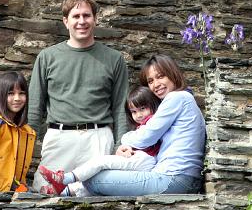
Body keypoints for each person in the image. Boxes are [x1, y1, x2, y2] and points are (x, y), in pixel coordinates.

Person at [27, 0, 129, 192]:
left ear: (95, 19)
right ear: (66, 21)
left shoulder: (114, 59)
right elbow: (34, 106)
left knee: (96, 200)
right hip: (59, 138)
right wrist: (25, 147)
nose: (81, 21)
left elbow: (120, 108)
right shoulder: (47, 57)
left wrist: (120, 144)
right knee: (46, 194)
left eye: (86, 15)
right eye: (76, 16)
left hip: (98, 138)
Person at [81, 54, 206, 196]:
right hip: (182, 178)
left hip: (174, 178)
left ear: (173, 74)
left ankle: (67, 191)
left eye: (160, 77)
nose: (156, 84)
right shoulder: (185, 99)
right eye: (150, 81)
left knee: (93, 179)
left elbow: (146, 137)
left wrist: (125, 140)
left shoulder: (177, 97)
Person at [37, 85, 162, 196]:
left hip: (146, 159)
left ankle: (65, 178)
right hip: (141, 158)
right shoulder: (143, 124)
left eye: (142, 109)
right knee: (102, 176)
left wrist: (126, 141)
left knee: (102, 161)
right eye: (134, 111)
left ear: (153, 105)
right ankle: (65, 191)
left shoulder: (153, 121)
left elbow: (142, 137)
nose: (138, 115)